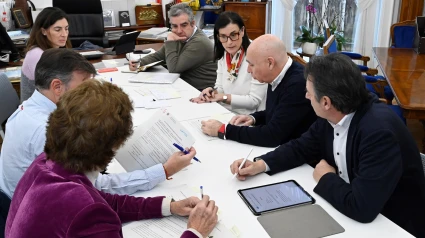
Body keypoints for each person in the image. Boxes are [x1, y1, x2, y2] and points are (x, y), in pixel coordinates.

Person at [229, 53, 425, 238]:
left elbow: (362, 208)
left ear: (325, 102)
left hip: (392, 225)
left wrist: (325, 177)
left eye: (308, 93)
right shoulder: (336, 112)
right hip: (350, 208)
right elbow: (301, 147)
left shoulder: (378, 133)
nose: (306, 97)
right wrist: (260, 164)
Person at [5, 80, 218, 237]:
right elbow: (93, 207)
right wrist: (195, 232)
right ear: (115, 144)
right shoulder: (85, 211)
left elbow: (102, 201)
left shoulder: (46, 163)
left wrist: (168, 206)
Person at [0, 49, 196, 198]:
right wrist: (164, 170)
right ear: (57, 87)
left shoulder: (29, 108)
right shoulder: (47, 132)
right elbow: (96, 185)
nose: (90, 90)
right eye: (85, 83)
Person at [201, 34, 316, 147]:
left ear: (270, 63)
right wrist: (254, 118)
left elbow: (272, 136)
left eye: (251, 64)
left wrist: (224, 130)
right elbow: (277, 112)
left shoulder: (298, 84)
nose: (248, 70)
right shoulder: (278, 72)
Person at [190, 12, 267, 115]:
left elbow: (254, 101)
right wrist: (213, 92)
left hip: (249, 117)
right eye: (223, 36)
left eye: (233, 35)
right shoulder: (224, 54)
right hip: (226, 111)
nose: (229, 42)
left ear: (242, 31)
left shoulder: (257, 54)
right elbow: (220, 87)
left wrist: (223, 97)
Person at [128, 3, 217, 91]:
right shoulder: (181, 37)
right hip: (184, 86)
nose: (179, 31)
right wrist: (138, 63)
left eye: (184, 25)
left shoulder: (199, 42)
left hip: (201, 92)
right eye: (174, 26)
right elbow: (159, 56)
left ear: (193, 24)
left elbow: (174, 70)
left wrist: (170, 41)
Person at [20, 7, 71, 102]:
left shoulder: (56, 51)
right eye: (58, 29)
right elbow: (56, 90)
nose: (64, 34)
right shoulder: (36, 55)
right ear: (43, 31)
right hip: (38, 111)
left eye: (66, 29)